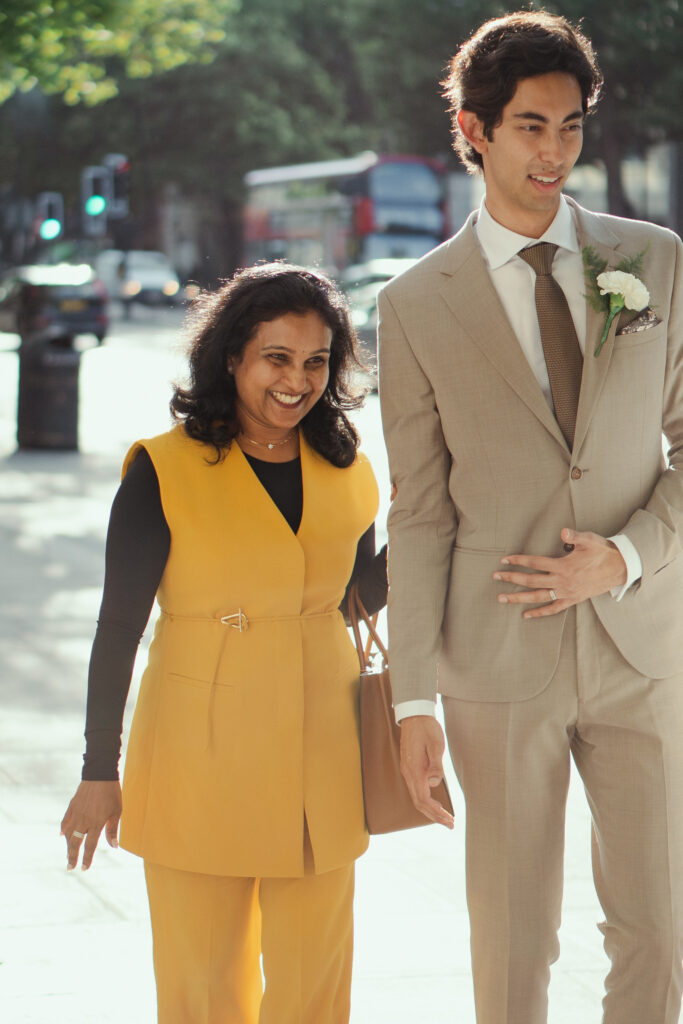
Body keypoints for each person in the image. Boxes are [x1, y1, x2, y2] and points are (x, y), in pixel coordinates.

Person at [378, 11, 683, 1024]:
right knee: (512, 927)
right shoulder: (414, 304)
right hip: (495, 659)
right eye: (528, 127)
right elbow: (416, 512)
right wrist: (409, 699)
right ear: (472, 129)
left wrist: (628, 557)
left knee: (655, 923)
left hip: (641, 648)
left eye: (568, 126)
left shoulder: (653, 262)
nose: (553, 152)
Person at [61, 263, 387, 1024]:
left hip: (323, 761)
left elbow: (346, 604)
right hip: (196, 757)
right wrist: (98, 771)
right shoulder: (162, 470)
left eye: (315, 362)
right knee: (202, 992)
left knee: (314, 991)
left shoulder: (349, 469)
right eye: (277, 357)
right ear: (231, 357)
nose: (296, 380)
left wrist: (428, 535)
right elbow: (117, 630)